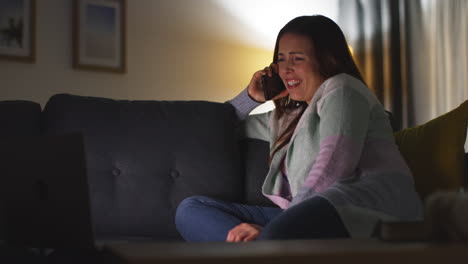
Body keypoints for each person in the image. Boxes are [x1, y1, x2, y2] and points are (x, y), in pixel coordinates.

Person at [175, 15, 423, 242]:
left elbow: (335, 164)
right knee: (191, 209)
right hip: (308, 212)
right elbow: (216, 128)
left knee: (274, 235)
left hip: (362, 209)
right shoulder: (287, 117)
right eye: (281, 59)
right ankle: (263, 248)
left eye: (297, 59)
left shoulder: (343, 89)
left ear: (328, 59)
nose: (285, 69)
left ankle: (265, 246)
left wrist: (282, 225)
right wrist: (251, 97)